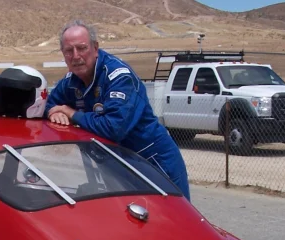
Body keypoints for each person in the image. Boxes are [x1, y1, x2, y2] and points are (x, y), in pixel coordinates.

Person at [44, 20, 190, 200]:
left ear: (95, 48)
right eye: (69, 50)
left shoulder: (118, 77)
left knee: (173, 219)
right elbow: (47, 105)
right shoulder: (71, 81)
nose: (75, 56)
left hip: (152, 161)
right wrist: (54, 112)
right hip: (115, 165)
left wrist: (72, 114)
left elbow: (114, 128)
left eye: (82, 48)